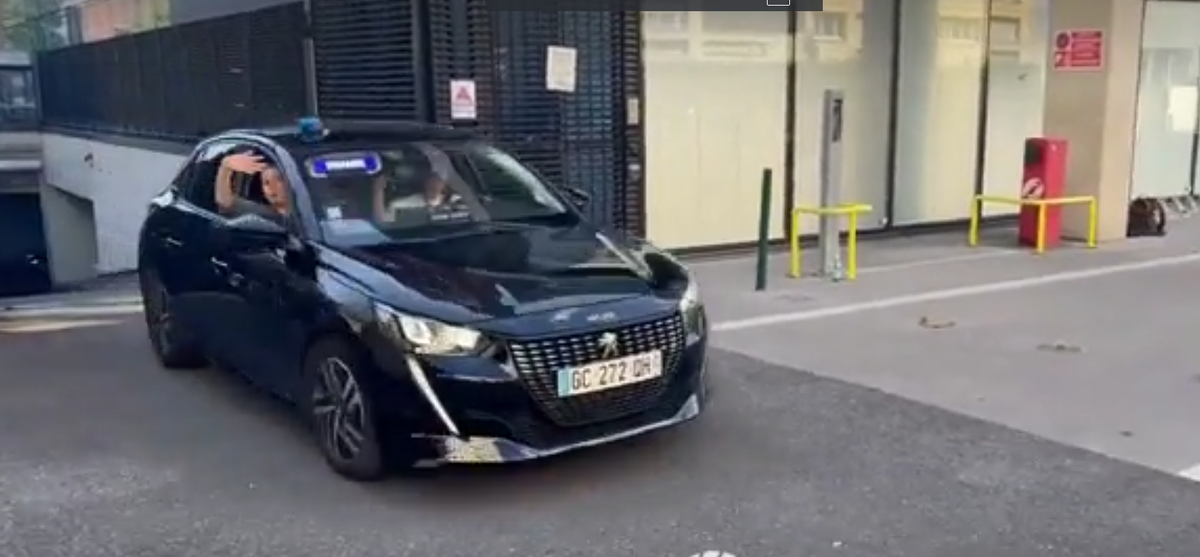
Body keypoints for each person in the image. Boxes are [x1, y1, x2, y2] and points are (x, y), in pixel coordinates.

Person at [214, 151, 290, 222]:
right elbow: (225, 202)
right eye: (266, 183)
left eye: (279, 180)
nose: (272, 187)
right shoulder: (261, 213)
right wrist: (226, 166)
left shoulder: (297, 213)